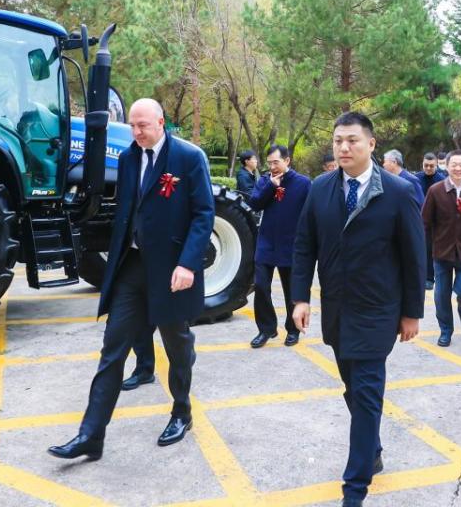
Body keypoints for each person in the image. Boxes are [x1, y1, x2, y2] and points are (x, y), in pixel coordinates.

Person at [48, 99, 213, 461]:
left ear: (161, 121)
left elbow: (203, 214)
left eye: (143, 126)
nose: (136, 132)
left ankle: (181, 412)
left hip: (171, 271)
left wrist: (187, 264)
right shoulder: (128, 158)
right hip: (131, 267)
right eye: (133, 126)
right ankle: (91, 435)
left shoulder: (188, 157)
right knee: (112, 350)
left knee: (177, 346)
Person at [292, 112, 426, 507]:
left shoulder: (399, 192)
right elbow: (304, 245)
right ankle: (374, 449)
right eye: (338, 141)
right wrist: (301, 297)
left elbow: (414, 256)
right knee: (353, 388)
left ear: (371, 144)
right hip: (337, 310)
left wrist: (411, 313)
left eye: (352, 140)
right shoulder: (320, 189)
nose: (344, 147)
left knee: (367, 394)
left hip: (378, 312)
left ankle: (355, 488)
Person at [247, 144, 311, 348]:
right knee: (261, 286)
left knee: (291, 289)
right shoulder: (265, 181)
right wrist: (270, 187)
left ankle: (293, 330)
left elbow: (310, 213)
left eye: (276, 162)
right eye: (270, 163)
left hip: (291, 244)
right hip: (266, 242)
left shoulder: (303, 183)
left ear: (287, 161)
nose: (272, 166)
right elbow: (255, 203)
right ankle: (266, 329)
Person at [421, 150, 461, 346]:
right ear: (446, 166)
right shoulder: (436, 190)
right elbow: (425, 222)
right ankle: (446, 330)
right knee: (441, 296)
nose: (458, 168)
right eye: (454, 164)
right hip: (441, 252)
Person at [415, 152, 448, 290]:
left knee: (430, 250)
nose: (428, 168)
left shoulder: (442, 179)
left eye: (431, 166)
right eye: (426, 165)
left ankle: (429, 278)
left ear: (436, 165)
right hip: (417, 218)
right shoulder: (416, 178)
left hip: (436, 220)